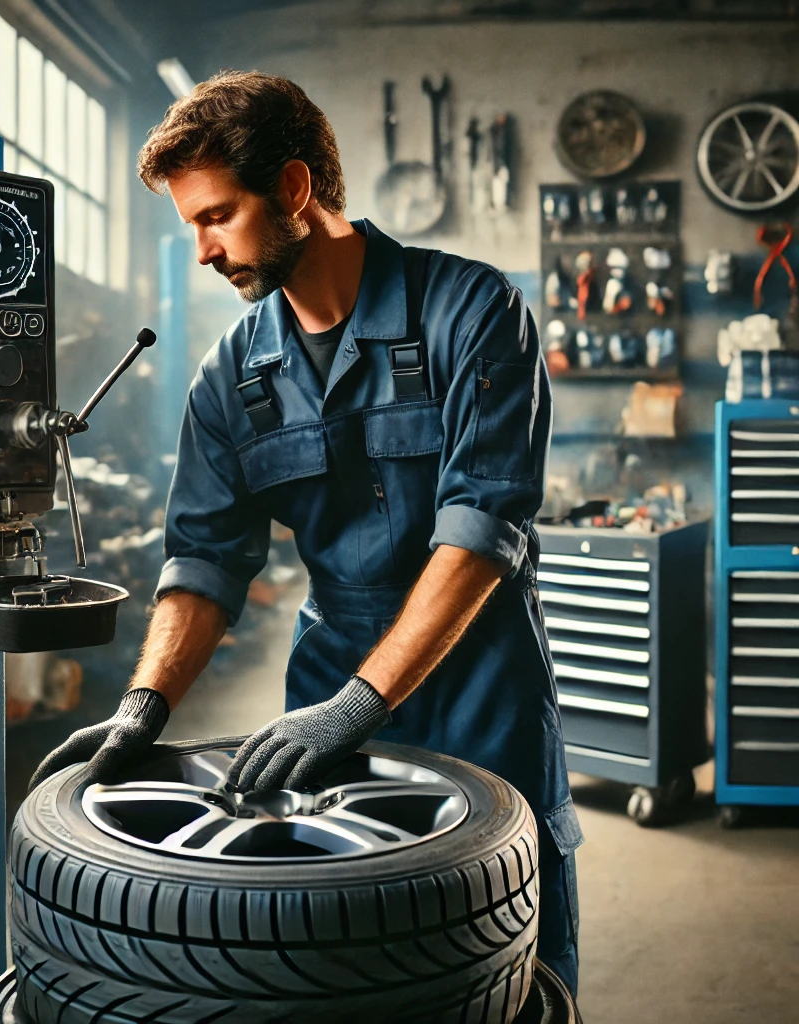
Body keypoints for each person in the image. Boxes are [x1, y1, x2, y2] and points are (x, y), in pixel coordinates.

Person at [29, 70, 583, 993]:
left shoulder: (473, 313)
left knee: (510, 959)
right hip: (326, 685)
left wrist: (362, 704)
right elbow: (203, 560)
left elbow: (483, 532)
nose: (203, 251)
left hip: (483, 687)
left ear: (294, 190)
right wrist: (144, 705)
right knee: (336, 958)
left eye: (215, 216)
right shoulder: (231, 378)